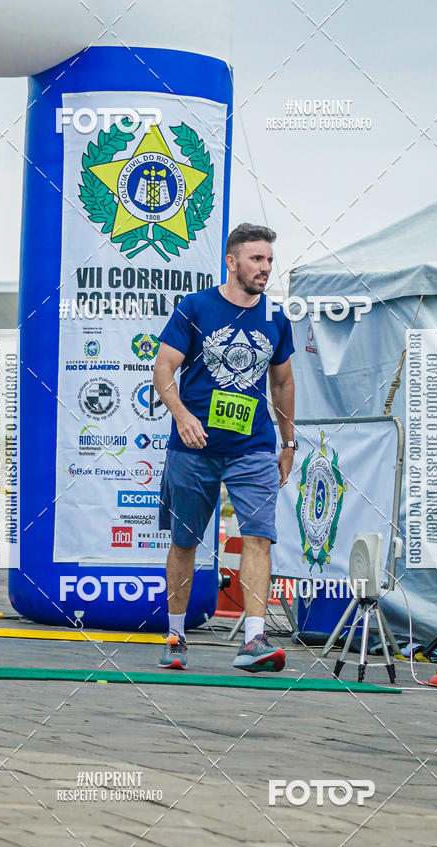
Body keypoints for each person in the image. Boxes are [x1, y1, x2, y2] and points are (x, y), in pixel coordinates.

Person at [153, 223, 297, 672]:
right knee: (185, 542)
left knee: (258, 537)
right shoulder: (196, 307)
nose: (265, 268)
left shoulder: (275, 317)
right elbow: (162, 369)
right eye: (257, 259)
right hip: (194, 446)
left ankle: (254, 638)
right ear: (232, 262)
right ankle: (176, 636)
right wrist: (182, 416)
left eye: (270, 260)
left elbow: (283, 380)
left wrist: (288, 440)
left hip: (253, 446)